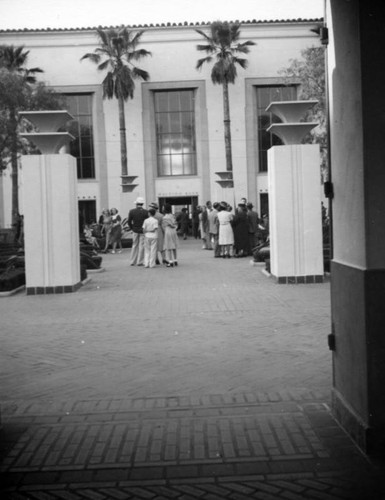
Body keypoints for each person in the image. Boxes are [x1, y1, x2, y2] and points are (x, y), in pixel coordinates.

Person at [127, 197, 148, 266]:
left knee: (134, 245)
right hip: (142, 230)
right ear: (142, 204)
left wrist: (132, 228)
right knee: (142, 246)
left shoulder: (132, 211)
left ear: (136, 204)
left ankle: (132, 261)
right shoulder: (146, 212)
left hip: (135, 230)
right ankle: (140, 261)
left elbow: (129, 221)